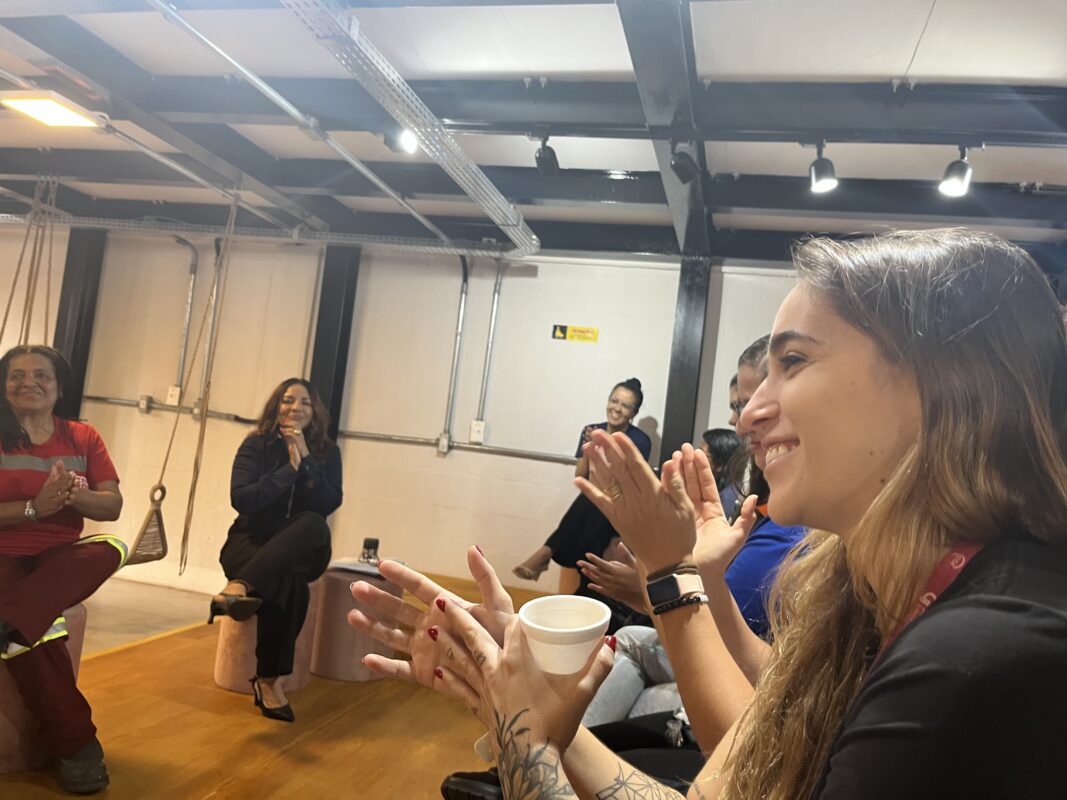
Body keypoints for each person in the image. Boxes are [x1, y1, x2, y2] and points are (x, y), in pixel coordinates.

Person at [357, 229, 1067, 799]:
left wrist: (528, 739)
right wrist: (523, 707)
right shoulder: (871, 594)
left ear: (940, 383)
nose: (750, 415)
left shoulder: (981, 661)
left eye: (794, 361)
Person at [0, 345, 125, 795]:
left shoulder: (83, 437)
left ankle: (9, 622)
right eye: (16, 375)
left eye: (41, 375)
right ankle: (78, 746)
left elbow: (111, 506)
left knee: (111, 547)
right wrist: (35, 508)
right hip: (3, 555)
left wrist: (72, 496)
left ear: (58, 386)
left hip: (60, 557)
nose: (28, 382)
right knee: (36, 632)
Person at [212, 378, 342, 723]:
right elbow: (242, 499)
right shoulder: (256, 445)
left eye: (305, 402)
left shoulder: (328, 452)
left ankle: (239, 586)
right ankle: (269, 682)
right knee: (290, 586)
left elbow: (328, 502)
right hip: (250, 542)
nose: (296, 407)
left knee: (314, 522)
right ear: (276, 406)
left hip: (303, 547)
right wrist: (289, 470)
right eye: (288, 400)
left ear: (315, 412)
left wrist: (306, 460)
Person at [512, 378, 650, 584]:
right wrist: (588, 450)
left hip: (622, 504)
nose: (616, 408)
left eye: (625, 405)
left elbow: (625, 482)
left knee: (594, 499)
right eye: (614, 401)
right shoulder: (592, 430)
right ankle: (580, 582)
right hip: (596, 504)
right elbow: (580, 477)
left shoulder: (639, 440)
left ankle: (546, 552)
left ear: (634, 413)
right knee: (592, 501)